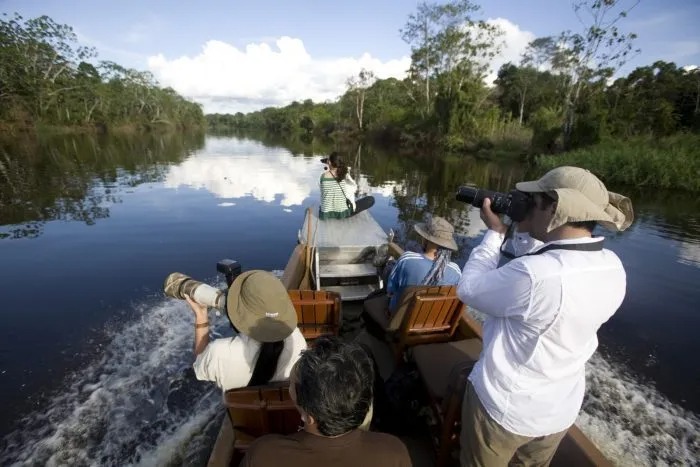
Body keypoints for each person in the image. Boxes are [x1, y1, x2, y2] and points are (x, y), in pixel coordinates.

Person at [456, 166, 634, 466]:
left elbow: (469, 289)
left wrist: (494, 234)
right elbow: (549, 261)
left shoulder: (535, 275)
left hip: (505, 410)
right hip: (558, 411)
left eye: (533, 200)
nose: (525, 205)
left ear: (555, 206)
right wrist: (527, 230)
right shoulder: (613, 266)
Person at [240, 336, 412, 467]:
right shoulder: (394, 452)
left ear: (310, 417)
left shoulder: (263, 454)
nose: (289, 388)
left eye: (291, 385)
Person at [184, 270, 307, 391]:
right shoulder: (298, 342)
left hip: (239, 410)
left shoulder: (218, 352)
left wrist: (201, 317)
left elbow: (199, 367)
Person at [363, 216, 461, 328]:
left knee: (388, 275)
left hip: (400, 321)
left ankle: (383, 263)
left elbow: (391, 290)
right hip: (432, 324)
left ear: (426, 239)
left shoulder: (407, 259)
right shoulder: (456, 272)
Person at [319, 151, 357, 220]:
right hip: (342, 213)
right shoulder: (344, 175)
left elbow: (322, 193)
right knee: (370, 200)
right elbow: (353, 187)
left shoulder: (323, 176)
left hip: (325, 213)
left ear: (329, 162)